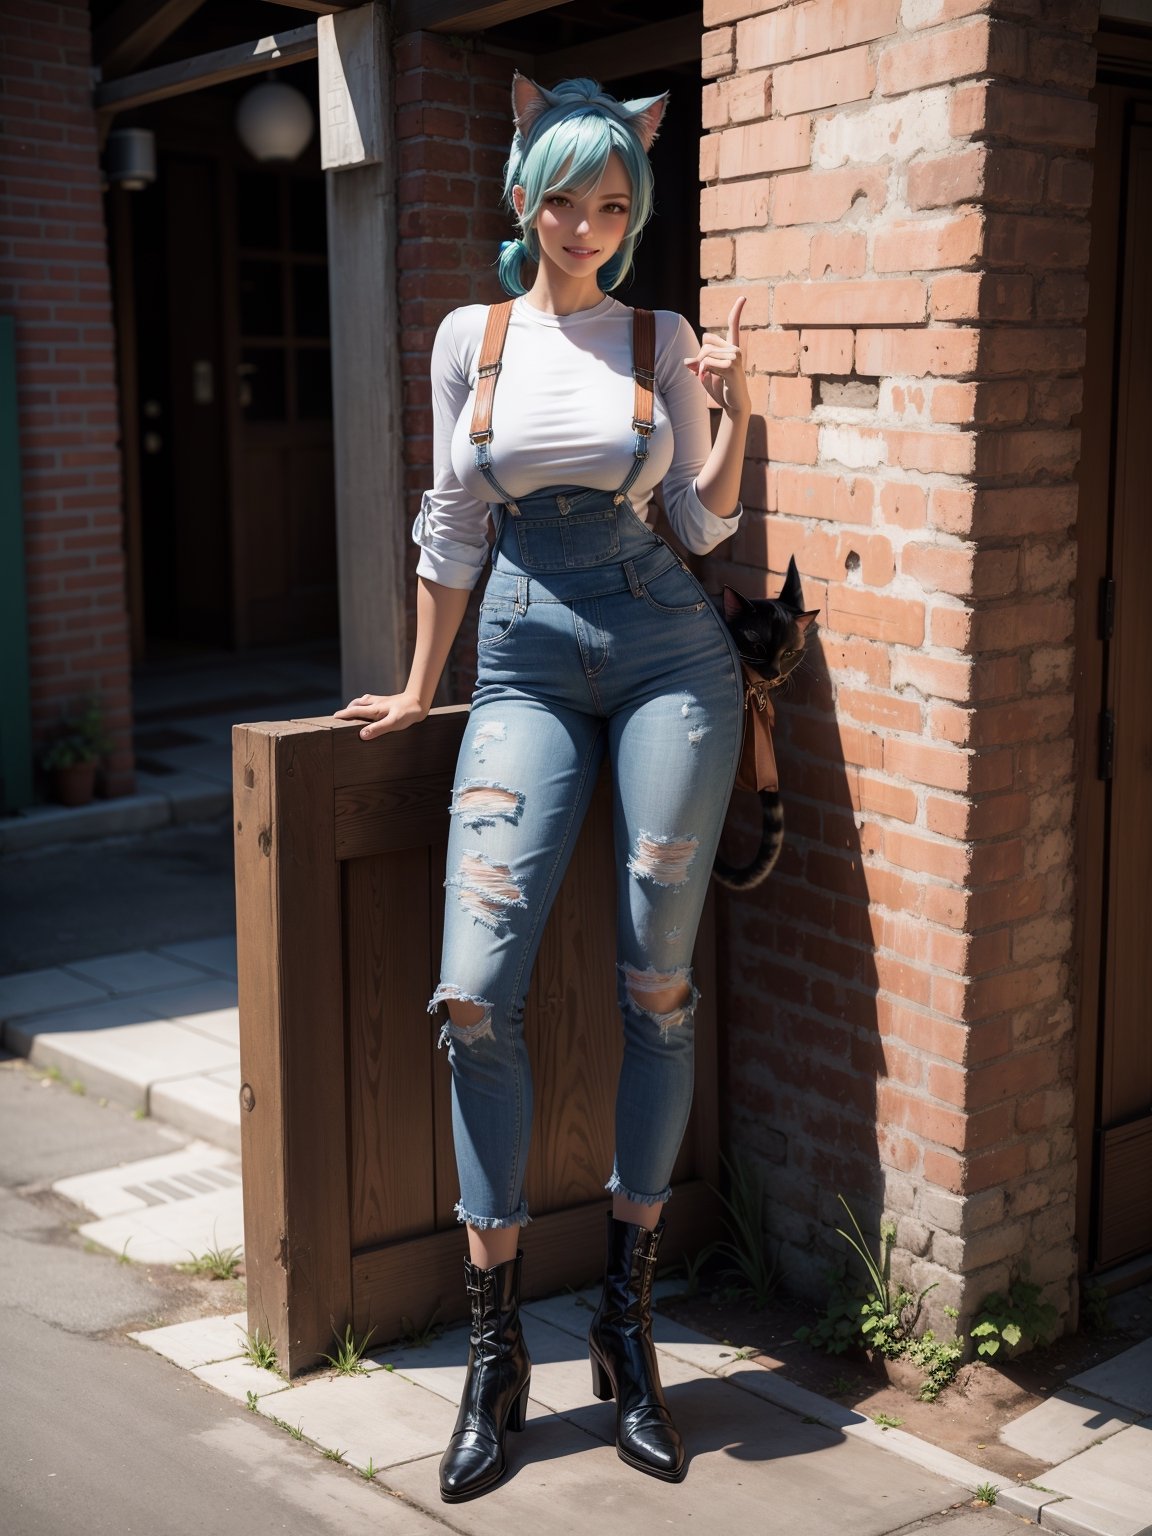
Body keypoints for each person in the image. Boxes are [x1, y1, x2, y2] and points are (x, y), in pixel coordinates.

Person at [335, 71, 750, 1501]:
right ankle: (496, 1346)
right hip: (516, 653)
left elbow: (697, 517)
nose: (589, 221)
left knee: (656, 973)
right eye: (566, 196)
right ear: (523, 196)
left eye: (616, 201)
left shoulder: (661, 330)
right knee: (472, 986)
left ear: (635, 213)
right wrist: (418, 680)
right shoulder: (476, 334)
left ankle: (626, 1333)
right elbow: (452, 516)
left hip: (665, 651)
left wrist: (729, 412)